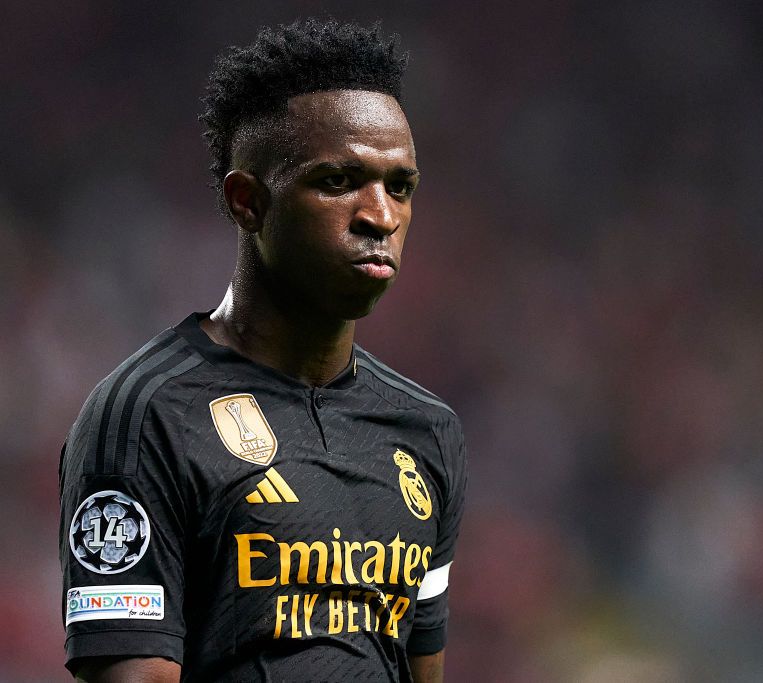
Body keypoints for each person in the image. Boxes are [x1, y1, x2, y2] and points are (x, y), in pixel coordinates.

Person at [59, 19, 466, 683]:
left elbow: (419, 668)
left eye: (399, 186)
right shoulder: (146, 416)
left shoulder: (428, 430)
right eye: (339, 181)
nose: (381, 216)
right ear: (247, 202)